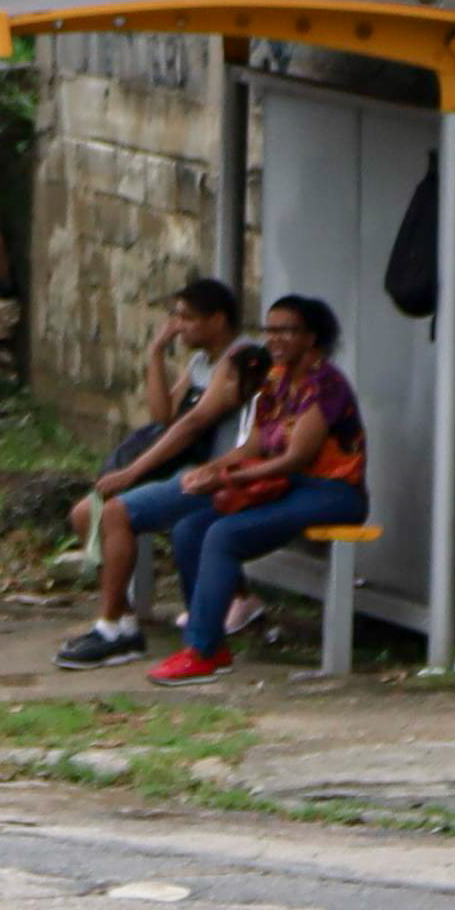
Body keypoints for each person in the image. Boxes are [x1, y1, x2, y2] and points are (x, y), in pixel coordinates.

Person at [130, 292, 369, 685]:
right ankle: (208, 638)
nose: (274, 338)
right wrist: (212, 469)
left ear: (310, 338)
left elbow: (296, 458)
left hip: (331, 491)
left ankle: (202, 651)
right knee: (189, 529)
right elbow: (253, 447)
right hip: (286, 486)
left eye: (286, 331)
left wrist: (230, 479)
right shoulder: (275, 380)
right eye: (269, 330)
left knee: (224, 534)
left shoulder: (325, 384)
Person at [58, 279, 262, 669]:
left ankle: (112, 627)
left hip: (215, 475)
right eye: (176, 317)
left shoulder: (239, 360)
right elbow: (163, 415)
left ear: (218, 320)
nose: (179, 326)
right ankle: (121, 620)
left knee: (113, 512)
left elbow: (191, 425)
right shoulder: (201, 363)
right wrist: (154, 353)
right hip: (188, 470)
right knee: (86, 514)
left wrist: (132, 471)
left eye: (188, 318)